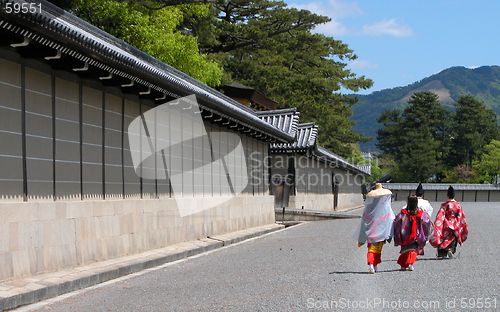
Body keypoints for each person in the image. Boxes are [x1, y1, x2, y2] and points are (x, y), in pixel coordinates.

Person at [353, 183, 395, 274]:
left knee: (372, 248)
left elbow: (364, 220)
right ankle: (374, 265)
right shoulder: (386, 207)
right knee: (378, 249)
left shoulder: (369, 207)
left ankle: (372, 265)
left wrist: (363, 234)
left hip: (372, 230)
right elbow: (390, 219)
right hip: (382, 231)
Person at [393, 195, 433, 271]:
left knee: (405, 250)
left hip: (405, 235)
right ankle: (410, 264)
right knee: (413, 250)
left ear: (407, 202)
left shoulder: (403, 213)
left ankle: (404, 265)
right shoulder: (420, 213)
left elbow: (397, 221)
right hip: (416, 235)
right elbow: (426, 221)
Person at [430, 186, 469, 259]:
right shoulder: (458, 205)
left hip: (446, 223)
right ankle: (450, 249)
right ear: (454, 195)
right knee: (453, 238)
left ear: (447, 196)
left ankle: (443, 253)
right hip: (455, 223)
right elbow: (461, 215)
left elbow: (440, 215)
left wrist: (438, 224)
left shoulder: (445, 205)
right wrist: (460, 224)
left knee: (444, 237)